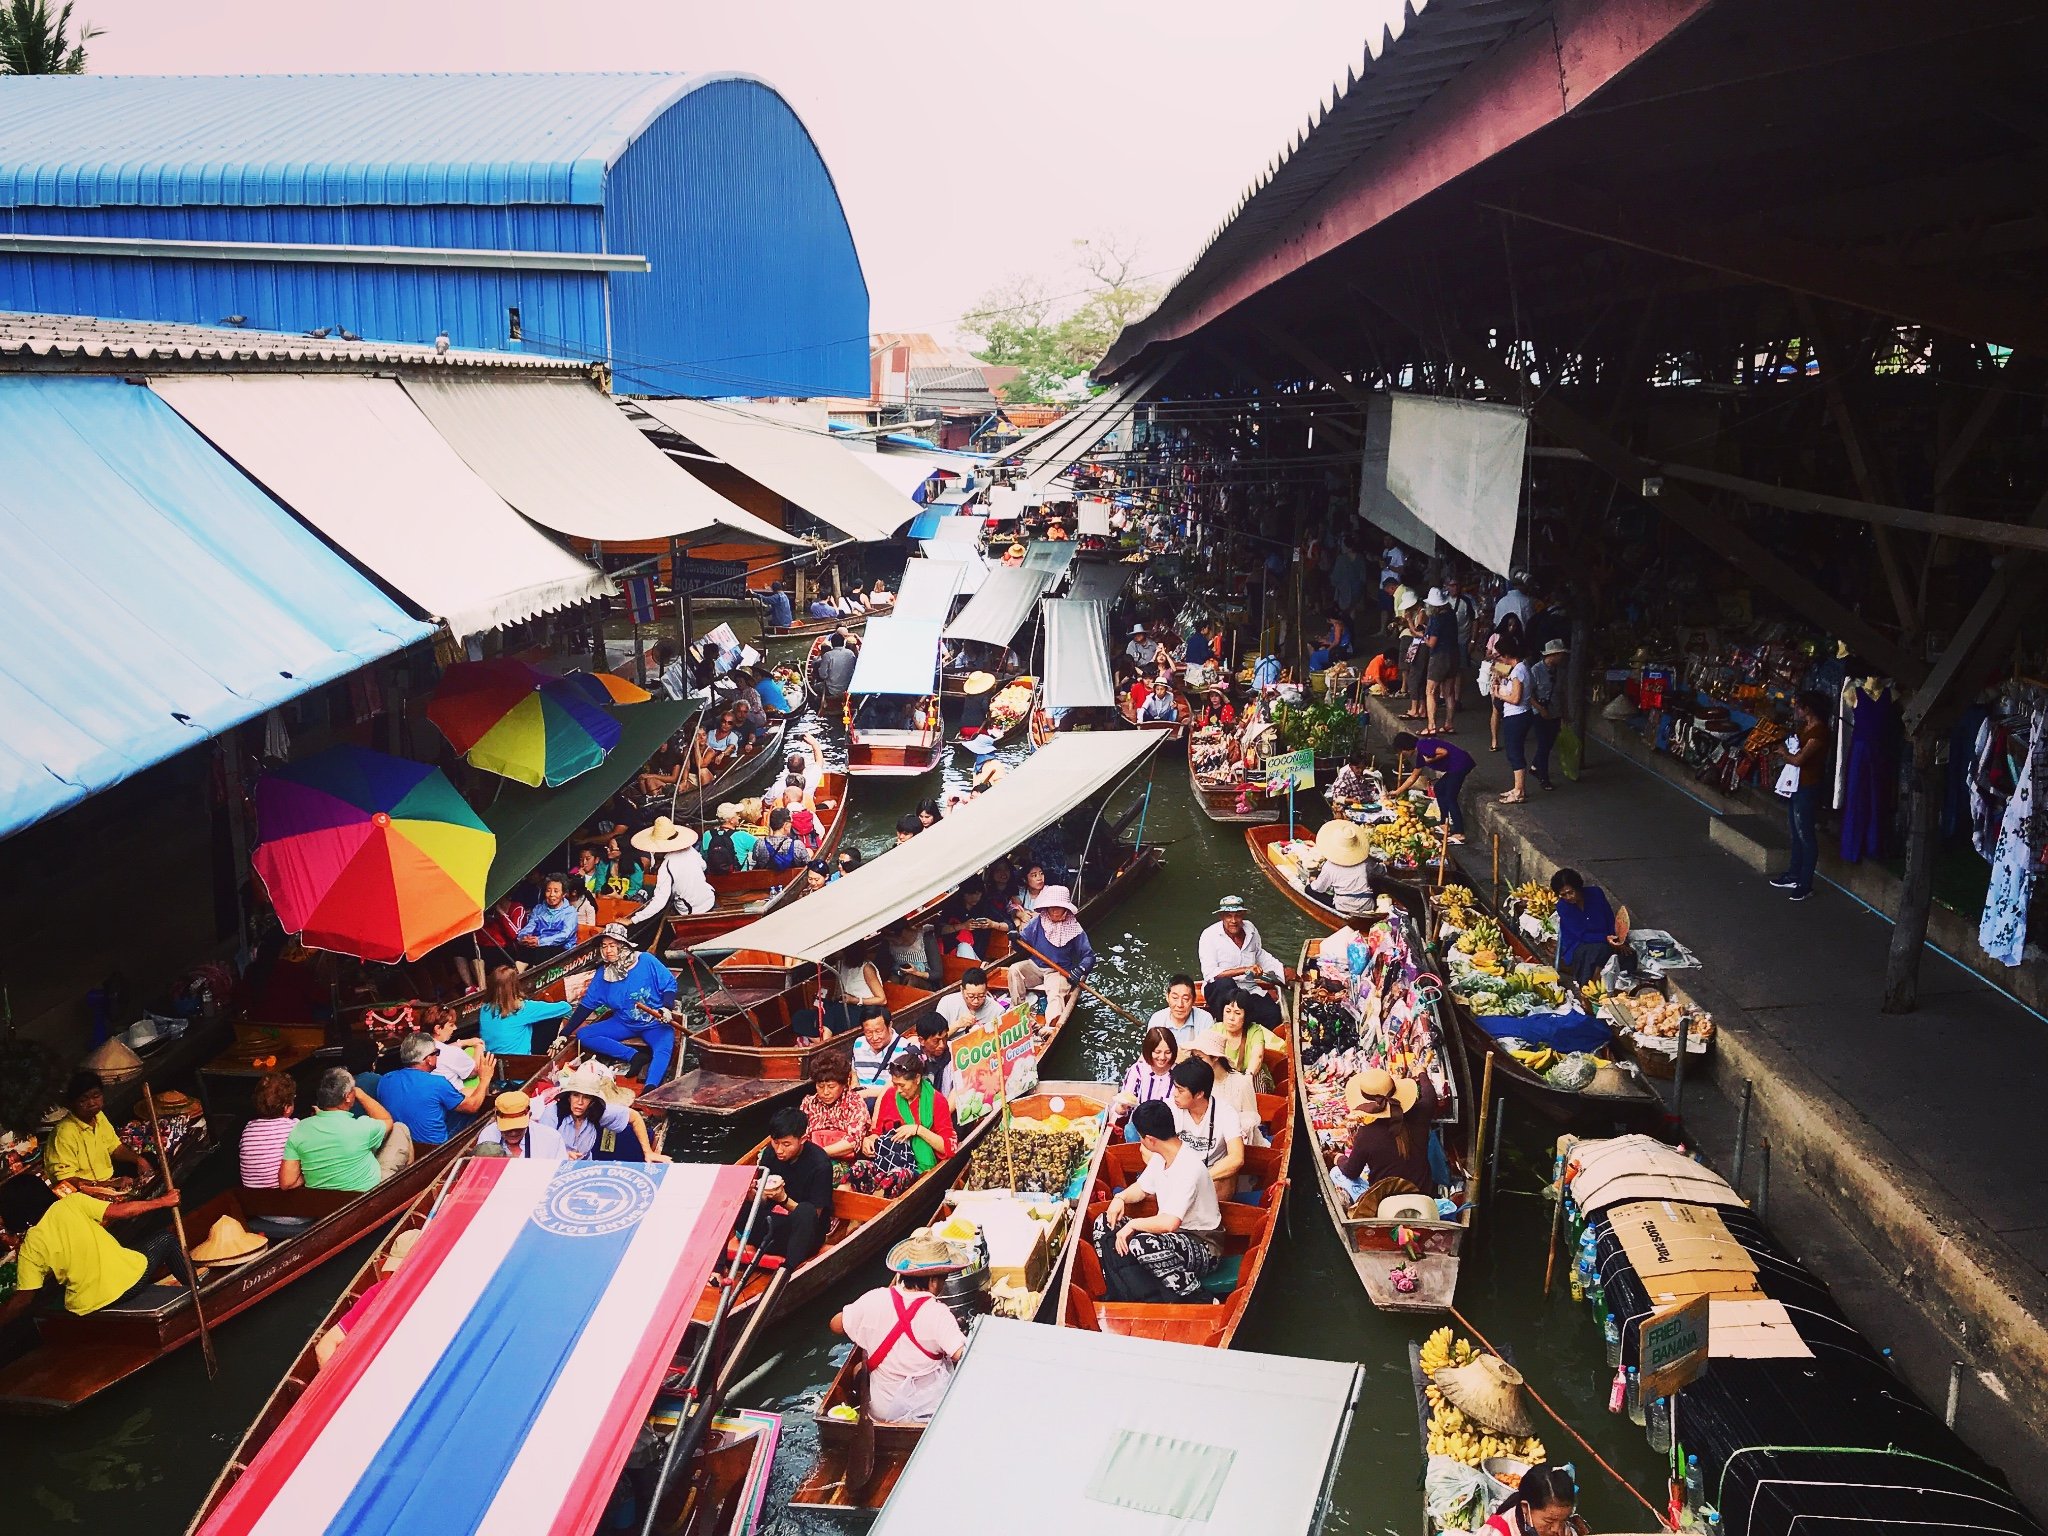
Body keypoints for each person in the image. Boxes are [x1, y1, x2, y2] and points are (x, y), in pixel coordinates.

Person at [1089, 1099, 1223, 1302]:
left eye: (1141, 1137)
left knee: (1142, 1243)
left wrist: (1133, 1224)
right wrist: (1120, 1198)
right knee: (1103, 1223)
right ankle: (1122, 1289)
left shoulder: (1189, 1167)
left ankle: (1199, 1297)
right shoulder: (1161, 1157)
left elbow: (1170, 1223)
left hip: (1203, 1245)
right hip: (1171, 1238)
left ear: (1150, 1139)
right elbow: (1142, 1189)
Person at [0, 1175, 183, 1324]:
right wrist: (163, 1201)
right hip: (129, 1286)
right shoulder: (71, 1203)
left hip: (86, 1306)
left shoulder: (29, 1245)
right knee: (166, 1239)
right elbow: (123, 1212)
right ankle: (196, 1287)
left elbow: (23, 1298)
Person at [829, 1258, 968, 1422]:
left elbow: (835, 1325)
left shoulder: (874, 1298)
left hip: (882, 1413)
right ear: (932, 1281)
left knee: (859, 1368)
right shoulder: (939, 1313)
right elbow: (963, 1355)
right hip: (925, 1415)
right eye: (943, 1279)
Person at [567, 923, 682, 1084]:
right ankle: (634, 1056)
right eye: (604, 946)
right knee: (584, 1035)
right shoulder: (603, 973)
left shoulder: (646, 960)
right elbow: (587, 1005)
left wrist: (667, 1008)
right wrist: (564, 1033)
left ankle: (650, 1088)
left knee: (663, 1050)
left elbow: (669, 984)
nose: (608, 950)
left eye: (613, 945)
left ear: (623, 945)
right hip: (624, 1022)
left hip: (655, 1022)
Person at [281, 1068, 412, 1190]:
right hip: (367, 1198)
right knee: (400, 1128)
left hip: (323, 1205)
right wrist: (360, 1094)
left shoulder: (300, 1129)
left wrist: (314, 1172)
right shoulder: (361, 1127)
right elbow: (387, 1120)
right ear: (348, 1096)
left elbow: (287, 1182)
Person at [1333, 1065, 1441, 1201]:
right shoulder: (1420, 1114)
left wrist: (1339, 1159)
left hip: (1385, 1202)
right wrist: (1421, 1073)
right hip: (1425, 1196)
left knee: (1335, 1173)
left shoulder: (1366, 1134)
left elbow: (1351, 1172)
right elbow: (1430, 1096)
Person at [746, 1107, 833, 1265]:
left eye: (786, 1144)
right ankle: (717, 1268)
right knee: (737, 1200)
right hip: (771, 1228)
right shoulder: (769, 1154)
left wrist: (783, 1199)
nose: (779, 1150)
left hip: (803, 1235)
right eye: (775, 1142)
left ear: (803, 1139)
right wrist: (752, 1194)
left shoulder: (820, 1164)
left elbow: (814, 1215)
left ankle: (788, 1269)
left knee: (805, 1211)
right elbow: (763, 1201)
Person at [377, 1033, 493, 1148]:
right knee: (478, 1105)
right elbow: (472, 1106)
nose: (438, 1056)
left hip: (401, 1144)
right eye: (437, 1053)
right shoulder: (437, 1083)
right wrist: (485, 1079)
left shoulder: (385, 1079)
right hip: (435, 1147)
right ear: (429, 1060)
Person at [1771, 689, 1831, 901]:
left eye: (1799, 706)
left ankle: (1805, 883)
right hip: (1797, 785)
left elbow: (1799, 760)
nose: (1795, 710)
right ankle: (1794, 874)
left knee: (1805, 835)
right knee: (1795, 833)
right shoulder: (1807, 728)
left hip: (1808, 786)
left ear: (1808, 709)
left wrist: (1783, 753)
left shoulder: (1819, 733)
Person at [44, 1072, 149, 1192]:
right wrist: (107, 1185)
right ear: (72, 1103)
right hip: (83, 1193)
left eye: (96, 1096)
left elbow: (114, 1147)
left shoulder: (99, 1116)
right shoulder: (64, 1133)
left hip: (107, 1181)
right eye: (84, 1099)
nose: (92, 1103)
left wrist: (138, 1160)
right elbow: (65, 1179)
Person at [1197, 896, 1291, 1022]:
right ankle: (1224, 1024)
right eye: (1228, 916)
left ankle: (1246, 1027)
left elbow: (1259, 954)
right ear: (1221, 917)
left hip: (1247, 987)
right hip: (1218, 988)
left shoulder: (1250, 929)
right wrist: (1245, 969)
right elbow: (1210, 974)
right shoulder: (1209, 935)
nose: (1233, 920)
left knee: (1273, 1014)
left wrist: (1282, 970)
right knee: (1226, 983)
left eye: (1237, 915)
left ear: (1243, 915)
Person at [867, 1051, 957, 1180]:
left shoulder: (937, 1101)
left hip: (917, 1169)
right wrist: (869, 1141)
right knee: (858, 1169)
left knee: (897, 1177)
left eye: (902, 1085)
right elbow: (877, 1133)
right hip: (889, 1161)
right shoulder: (890, 1095)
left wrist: (918, 1130)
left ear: (917, 1079)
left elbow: (949, 1147)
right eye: (895, 1084)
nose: (898, 1090)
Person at [548, 1064, 667, 1162]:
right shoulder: (553, 1115)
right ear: (569, 1097)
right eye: (575, 1095)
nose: (579, 1102)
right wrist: (563, 1155)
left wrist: (648, 1152)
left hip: (585, 1169)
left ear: (593, 1101)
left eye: (586, 1097)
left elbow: (635, 1117)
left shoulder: (597, 1112)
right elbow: (540, 1150)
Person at [1169, 1056, 1247, 1196]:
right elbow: (1148, 1145)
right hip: (1180, 1171)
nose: (1174, 1095)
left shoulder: (1226, 1113)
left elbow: (1236, 1157)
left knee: (1224, 1181)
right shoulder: (1170, 1108)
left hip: (1212, 1174)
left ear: (1199, 1094)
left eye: (1180, 1091)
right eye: (1175, 1088)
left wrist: (1199, 1178)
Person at [1016, 885, 1093, 1019]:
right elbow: (1021, 944)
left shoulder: (1074, 927)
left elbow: (1089, 956)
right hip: (1035, 966)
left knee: (1055, 991)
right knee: (1014, 969)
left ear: (1065, 909)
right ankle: (1019, 1011)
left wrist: (1080, 969)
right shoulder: (1038, 922)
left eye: (1058, 908)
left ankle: (1051, 1025)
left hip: (1058, 971)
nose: (1054, 911)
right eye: (1051, 908)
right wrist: (1014, 939)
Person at [1183, 1027, 1267, 1148]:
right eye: (1193, 1057)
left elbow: (1251, 1119)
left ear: (1215, 1058)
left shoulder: (1241, 1082)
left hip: (1241, 1144)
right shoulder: (1197, 1083)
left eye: (1200, 1058)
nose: (1195, 1063)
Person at [1389, 731, 1476, 844]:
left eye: (1402, 751)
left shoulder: (1423, 746)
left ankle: (1459, 832)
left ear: (1406, 747)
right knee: (1439, 788)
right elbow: (1413, 777)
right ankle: (1445, 823)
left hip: (1459, 765)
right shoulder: (1420, 755)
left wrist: (1430, 760)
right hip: (1454, 767)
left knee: (1450, 797)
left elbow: (1444, 752)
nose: (1402, 754)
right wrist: (1397, 792)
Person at [629, 817, 715, 926]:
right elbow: (703, 866)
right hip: (709, 899)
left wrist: (634, 919)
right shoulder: (690, 850)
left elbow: (660, 901)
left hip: (692, 911)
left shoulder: (666, 866)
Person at [477, 964, 574, 1055]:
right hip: (521, 1061)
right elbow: (566, 1008)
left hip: (493, 1061)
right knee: (552, 1018)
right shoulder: (522, 1008)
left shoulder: (484, 1008)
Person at [1551, 868, 1625, 987]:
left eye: (1571, 892)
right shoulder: (1563, 907)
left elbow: (1609, 917)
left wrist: (1616, 939)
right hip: (1578, 944)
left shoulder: (1596, 894)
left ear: (1578, 887)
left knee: (1628, 954)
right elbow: (1582, 935)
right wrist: (1606, 939)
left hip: (1605, 938)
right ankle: (1590, 985)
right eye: (1564, 895)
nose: (1568, 897)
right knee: (1602, 950)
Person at [800, 1052, 869, 1171]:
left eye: (831, 1087)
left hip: (843, 1162)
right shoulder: (809, 1103)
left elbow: (853, 1142)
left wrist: (818, 1154)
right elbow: (801, 1135)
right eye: (820, 1086)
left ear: (843, 1084)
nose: (825, 1092)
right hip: (809, 1158)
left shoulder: (854, 1103)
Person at [1484, 1464, 1588, 1536]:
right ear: (1525, 1508)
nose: (1556, 1529)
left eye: (1564, 1519)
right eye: (1549, 1521)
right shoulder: (1497, 1533)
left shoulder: (1563, 1529)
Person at [1117, 1026, 1180, 1141]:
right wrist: (1122, 1108)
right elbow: (1127, 1099)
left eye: (1167, 1052)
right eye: (1157, 1052)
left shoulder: (1179, 1074)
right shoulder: (1138, 1070)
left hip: (1168, 1129)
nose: (1162, 1057)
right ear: (1149, 1050)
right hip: (1140, 1126)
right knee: (1130, 1130)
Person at [238, 1071, 298, 1189]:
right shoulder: (294, 1126)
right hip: (284, 1193)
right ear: (287, 1108)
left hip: (252, 1195)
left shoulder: (248, 1129)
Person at [1214, 994, 1286, 1090]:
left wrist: (1247, 1078)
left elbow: (1257, 1057)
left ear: (1245, 1016)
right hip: (1223, 1079)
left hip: (1249, 1077)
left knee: (1257, 1076)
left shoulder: (1255, 1031)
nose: (1231, 1018)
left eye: (1237, 1013)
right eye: (1227, 1011)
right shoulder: (1216, 1030)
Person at [1305, 820, 1376, 917]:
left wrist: (1312, 881)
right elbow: (1381, 870)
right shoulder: (1366, 862)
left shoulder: (1330, 866)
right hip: (1367, 905)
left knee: (1308, 890)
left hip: (1343, 907)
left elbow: (1319, 888)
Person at [1493, 634, 1534, 801]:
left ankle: (1519, 791)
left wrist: (1499, 695)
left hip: (1517, 716)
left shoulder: (1518, 672)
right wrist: (1498, 675)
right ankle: (1517, 788)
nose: (1500, 659)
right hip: (1518, 715)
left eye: (1501, 655)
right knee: (1513, 751)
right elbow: (1499, 669)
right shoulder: (1520, 667)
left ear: (1507, 655)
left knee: (1515, 752)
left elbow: (1516, 698)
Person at [475, 1089, 565, 1158]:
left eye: (518, 1128)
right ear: (496, 1119)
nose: (513, 1133)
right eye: (507, 1128)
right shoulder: (488, 1136)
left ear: (529, 1116)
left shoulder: (551, 1139)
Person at [1529, 638, 1568, 791]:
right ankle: (1543, 777)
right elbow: (1529, 694)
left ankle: (1535, 766)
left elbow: (1562, 692)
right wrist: (1540, 708)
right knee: (1544, 744)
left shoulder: (1560, 671)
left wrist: (1564, 712)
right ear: (1553, 654)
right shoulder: (1536, 670)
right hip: (1540, 712)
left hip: (1555, 710)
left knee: (1549, 742)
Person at [1422, 588, 1463, 732]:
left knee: (1430, 691)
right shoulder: (1451, 614)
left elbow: (1432, 643)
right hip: (1454, 654)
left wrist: (1424, 637)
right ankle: (1449, 724)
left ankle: (1431, 726)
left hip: (1439, 656)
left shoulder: (1436, 618)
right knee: (1449, 692)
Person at [515, 874, 581, 960]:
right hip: (538, 947)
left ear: (564, 894)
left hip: (561, 950)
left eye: (556, 891)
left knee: (543, 951)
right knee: (524, 951)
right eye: (548, 891)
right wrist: (524, 937)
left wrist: (540, 941)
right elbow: (530, 926)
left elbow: (565, 935)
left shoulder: (570, 912)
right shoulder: (539, 909)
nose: (551, 895)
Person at [848, 1005, 900, 1105]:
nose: (874, 1038)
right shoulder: (859, 1043)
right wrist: (854, 1087)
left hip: (887, 1101)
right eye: (868, 1032)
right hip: (859, 1100)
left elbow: (897, 1087)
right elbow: (854, 1073)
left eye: (878, 1031)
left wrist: (864, 1094)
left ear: (890, 1026)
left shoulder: (903, 1048)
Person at [1149, 974, 1215, 1048]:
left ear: (1193, 1000)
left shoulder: (1205, 1019)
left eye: (1186, 999)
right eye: (1175, 998)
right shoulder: (1157, 1019)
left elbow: (1207, 1053)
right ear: (1167, 997)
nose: (1180, 1005)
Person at [425, 1005, 480, 1090]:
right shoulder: (452, 1053)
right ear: (438, 1029)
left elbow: (443, 1049)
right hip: (454, 1098)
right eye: (451, 1025)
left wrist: (462, 1042)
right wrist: (479, 1047)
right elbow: (474, 1071)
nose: (455, 1028)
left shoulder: (420, 1046)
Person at [794, 967, 854, 1044]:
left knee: (832, 1010)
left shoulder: (830, 1011)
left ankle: (818, 1040)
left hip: (842, 1010)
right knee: (799, 1016)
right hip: (828, 1011)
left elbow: (825, 1041)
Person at [935, 966, 1004, 1032]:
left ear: (986, 991)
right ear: (962, 990)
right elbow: (936, 1039)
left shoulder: (997, 1011)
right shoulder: (946, 1003)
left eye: (981, 996)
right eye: (971, 996)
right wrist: (957, 1025)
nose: (976, 1001)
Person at [911, 1014, 963, 1099]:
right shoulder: (910, 1057)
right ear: (922, 1040)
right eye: (936, 1041)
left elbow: (960, 1087)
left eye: (945, 1038)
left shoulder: (955, 1051)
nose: (942, 1045)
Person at [701, 802, 757, 875]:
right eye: (737, 814)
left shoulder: (707, 835)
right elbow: (763, 848)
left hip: (714, 880)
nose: (739, 817)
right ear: (731, 820)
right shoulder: (742, 835)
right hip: (740, 880)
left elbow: (704, 856)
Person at [752, 806, 804, 872]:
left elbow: (755, 861)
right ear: (786, 825)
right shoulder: (797, 845)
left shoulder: (759, 844)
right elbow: (806, 864)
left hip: (767, 880)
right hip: (789, 879)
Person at [812, 632, 858, 702]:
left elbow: (823, 675)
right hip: (848, 688)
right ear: (843, 643)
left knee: (815, 687)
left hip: (831, 690)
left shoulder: (827, 655)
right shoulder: (850, 653)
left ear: (832, 644)